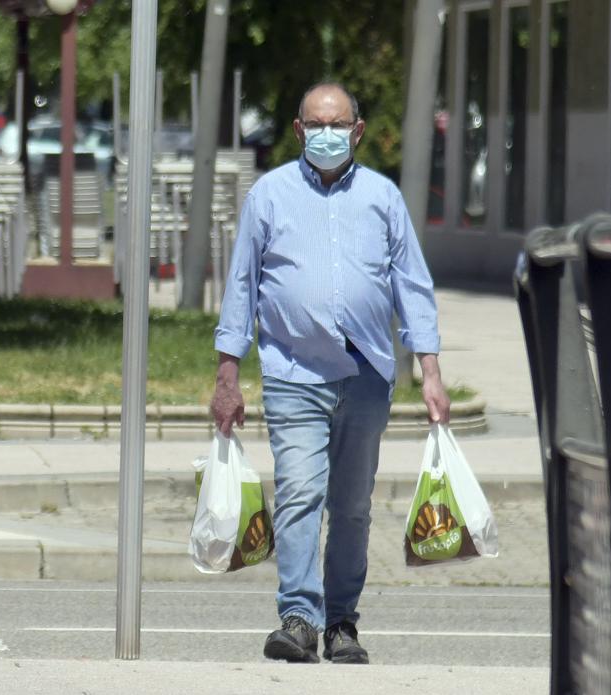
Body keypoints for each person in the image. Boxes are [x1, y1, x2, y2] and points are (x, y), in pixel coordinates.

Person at [210, 83, 450, 665]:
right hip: (294, 373)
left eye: (338, 124)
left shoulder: (382, 198)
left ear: (357, 131)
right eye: (317, 124)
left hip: (366, 375)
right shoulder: (269, 196)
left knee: (351, 506)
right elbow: (241, 285)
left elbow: (411, 285)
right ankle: (298, 617)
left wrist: (430, 368)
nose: (327, 133)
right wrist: (227, 375)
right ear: (298, 131)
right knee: (298, 495)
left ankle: (342, 621)